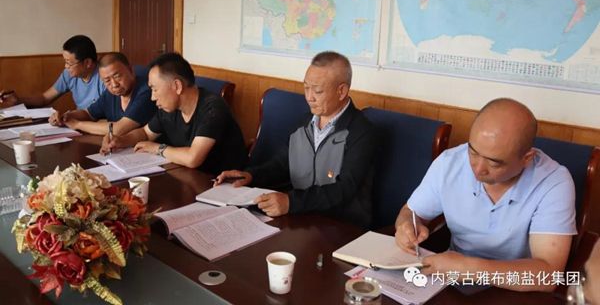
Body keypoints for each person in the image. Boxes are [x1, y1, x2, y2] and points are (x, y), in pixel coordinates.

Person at [394, 98, 576, 292]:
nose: (478, 168)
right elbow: (410, 212)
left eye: (494, 162)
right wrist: (406, 227)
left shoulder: (553, 182)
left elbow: (547, 276)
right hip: (451, 279)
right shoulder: (450, 163)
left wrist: (469, 268)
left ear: (526, 159)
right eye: (473, 152)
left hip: (517, 290)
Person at [214, 51, 377, 229]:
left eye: (318, 90)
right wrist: (251, 176)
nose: (309, 97)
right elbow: (283, 164)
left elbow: (345, 188)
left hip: (341, 226)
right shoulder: (304, 122)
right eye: (306, 88)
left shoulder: (361, 131)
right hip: (301, 218)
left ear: (342, 91)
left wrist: (291, 202)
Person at [101, 52, 247, 174]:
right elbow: (145, 133)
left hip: (223, 185)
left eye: (155, 89)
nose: (152, 97)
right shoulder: (170, 108)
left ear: (177, 86)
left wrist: (158, 148)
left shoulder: (213, 107)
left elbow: (193, 158)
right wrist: (120, 141)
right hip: (188, 176)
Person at [0, 35, 105, 123]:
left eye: (69, 63)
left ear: (87, 62)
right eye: (65, 62)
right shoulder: (69, 74)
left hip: (98, 129)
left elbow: (108, 119)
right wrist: (18, 100)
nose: (66, 67)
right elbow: (45, 98)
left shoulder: (106, 78)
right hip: (79, 125)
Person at [56, 52, 155, 136]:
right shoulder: (110, 94)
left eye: (117, 76)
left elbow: (119, 129)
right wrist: (66, 117)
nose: (114, 84)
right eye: (107, 80)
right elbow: (88, 113)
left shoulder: (146, 92)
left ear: (131, 71)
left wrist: (78, 124)